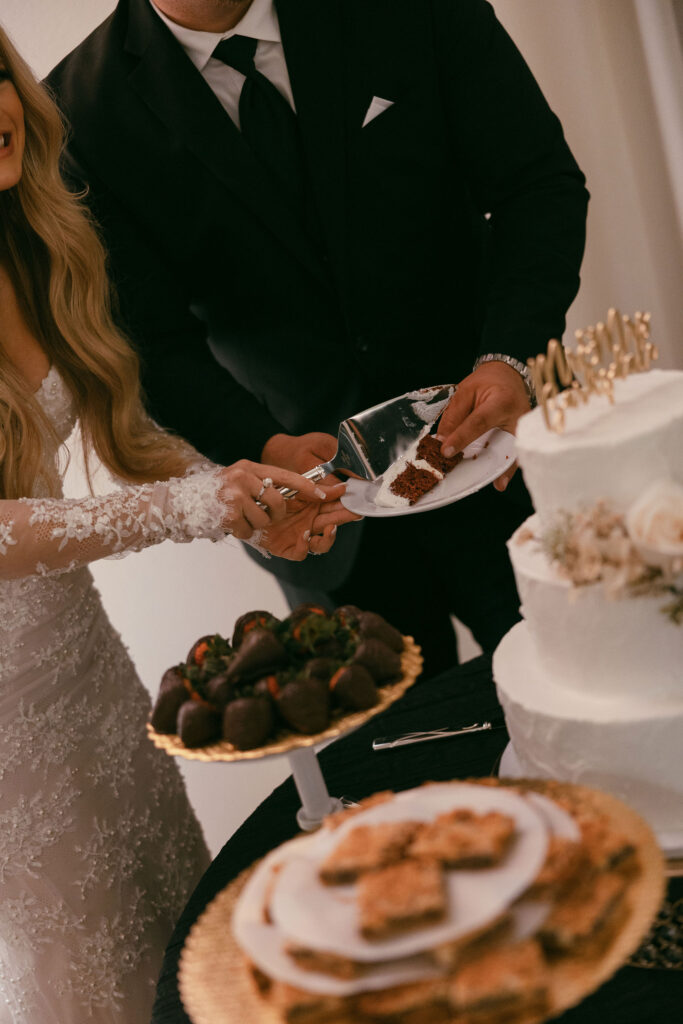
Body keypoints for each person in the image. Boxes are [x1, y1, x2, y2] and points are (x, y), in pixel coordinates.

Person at [47, 0, 590, 677]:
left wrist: (510, 357)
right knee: (403, 766)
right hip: (320, 515)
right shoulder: (75, 114)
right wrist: (260, 444)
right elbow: (147, 341)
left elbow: (534, 183)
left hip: (506, 450)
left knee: (598, 685)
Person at [0, 26, 347, 1023]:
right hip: (7, 740)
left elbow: (128, 423)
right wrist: (195, 507)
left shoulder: (36, 238)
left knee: (172, 938)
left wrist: (247, 487)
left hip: (88, 679)